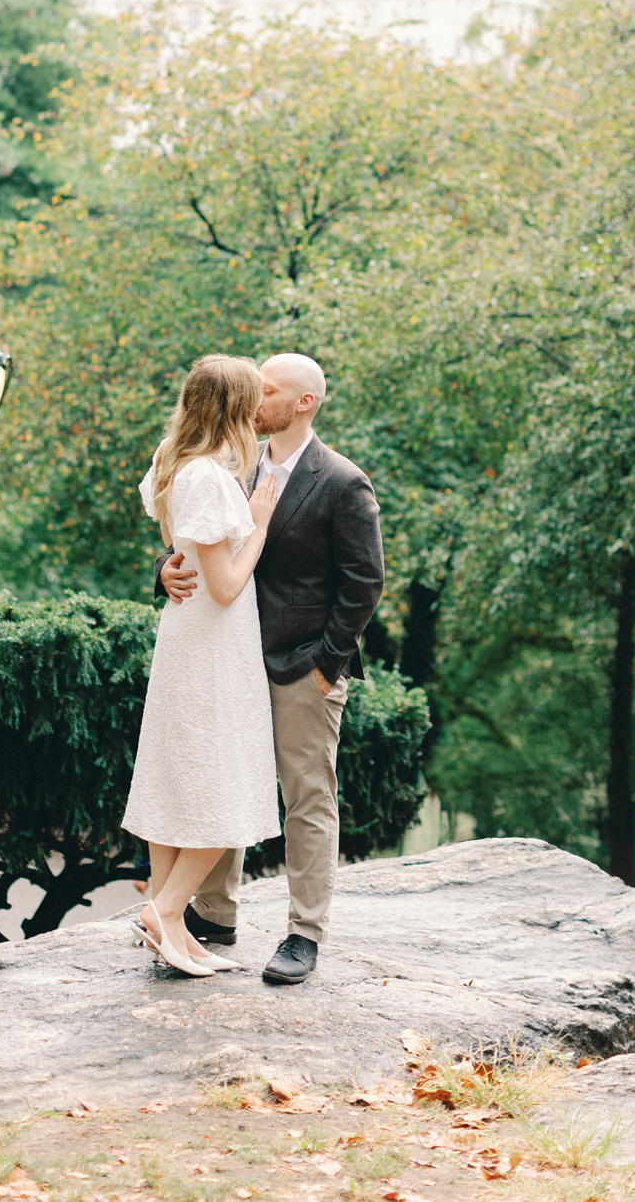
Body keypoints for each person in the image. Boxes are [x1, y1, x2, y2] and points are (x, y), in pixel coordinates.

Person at [159, 353, 385, 986]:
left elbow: (365, 581)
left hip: (302, 665)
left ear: (303, 403)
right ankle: (213, 916)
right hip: (226, 657)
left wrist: (327, 665)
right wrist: (166, 568)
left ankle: (303, 934)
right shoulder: (231, 463)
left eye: (269, 390)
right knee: (221, 777)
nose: (254, 398)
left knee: (307, 796)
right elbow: (202, 540)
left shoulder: (342, 481)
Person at [123, 354, 281, 978]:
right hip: (215, 641)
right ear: (234, 409)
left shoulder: (170, 459)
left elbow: (178, 549)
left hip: (185, 638)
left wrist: (167, 566)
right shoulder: (212, 479)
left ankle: (174, 927)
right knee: (227, 787)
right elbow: (224, 584)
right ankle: (163, 908)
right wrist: (260, 524)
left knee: (178, 778)